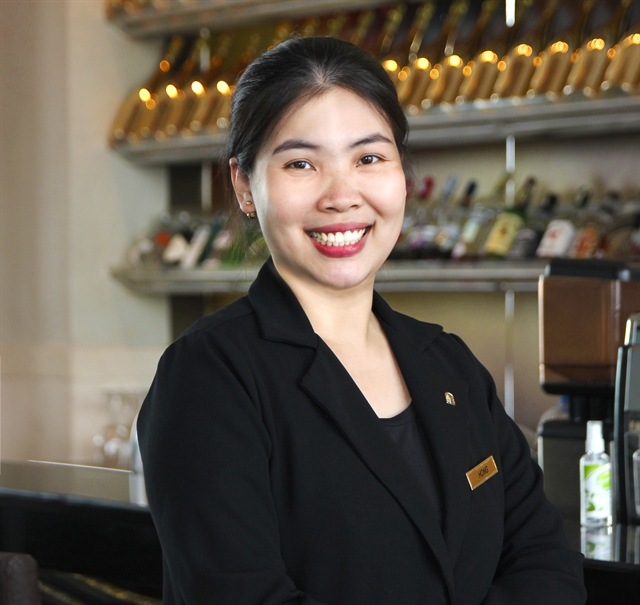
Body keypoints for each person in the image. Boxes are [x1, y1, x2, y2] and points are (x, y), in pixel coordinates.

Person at [137, 36, 586, 605]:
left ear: (402, 173)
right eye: (301, 163)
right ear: (245, 186)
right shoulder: (210, 375)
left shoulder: (447, 362)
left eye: (368, 158)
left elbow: (546, 563)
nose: (342, 196)